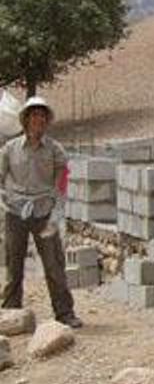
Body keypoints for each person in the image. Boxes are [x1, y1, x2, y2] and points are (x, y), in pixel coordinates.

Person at [0, 97, 82, 329]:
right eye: (34, 115)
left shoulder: (55, 150)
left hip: (45, 212)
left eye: (42, 116)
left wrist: (57, 210)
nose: (38, 120)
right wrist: (5, 201)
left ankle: (65, 313)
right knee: (13, 264)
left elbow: (62, 181)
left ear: (46, 122)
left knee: (54, 264)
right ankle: (10, 312)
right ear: (25, 120)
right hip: (16, 212)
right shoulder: (9, 149)